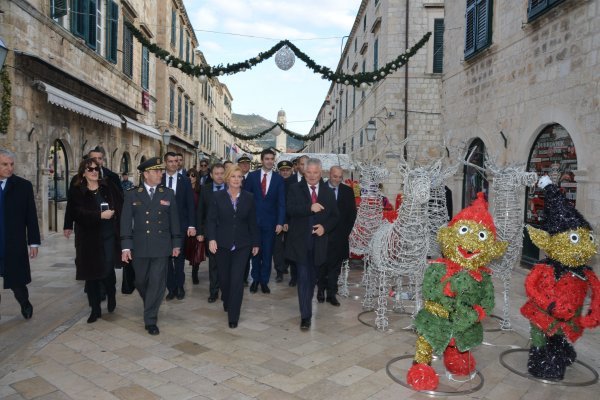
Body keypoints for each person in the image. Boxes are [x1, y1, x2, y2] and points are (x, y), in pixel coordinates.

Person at [121, 157, 181, 335]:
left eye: (160, 171)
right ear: (146, 174)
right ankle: (151, 302)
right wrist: (125, 246)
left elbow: (174, 221)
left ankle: (150, 319)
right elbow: (125, 221)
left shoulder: (168, 193)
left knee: (157, 282)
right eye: (156, 171)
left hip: (161, 246)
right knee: (140, 281)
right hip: (139, 246)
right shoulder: (132, 194)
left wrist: (176, 243)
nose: (160, 174)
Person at [285, 158, 339, 330]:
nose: (313, 176)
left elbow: (335, 216)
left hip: (319, 244)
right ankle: (305, 316)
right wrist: (310, 207)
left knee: (313, 278)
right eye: (309, 172)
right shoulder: (295, 188)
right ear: (304, 172)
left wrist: (325, 227)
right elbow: (290, 210)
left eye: (316, 172)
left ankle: (308, 306)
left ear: (321, 172)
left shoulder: (327, 191)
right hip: (300, 243)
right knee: (303, 279)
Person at [70, 158, 123, 323]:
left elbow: (121, 203)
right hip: (88, 239)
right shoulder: (77, 190)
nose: (94, 172)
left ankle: (111, 294)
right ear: (83, 172)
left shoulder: (108, 187)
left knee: (107, 269)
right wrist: (99, 215)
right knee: (91, 275)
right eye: (90, 169)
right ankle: (95, 309)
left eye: (96, 169)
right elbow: (77, 213)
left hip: (108, 236)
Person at [207, 166, 260, 328]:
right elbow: (210, 220)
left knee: (237, 279)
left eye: (239, 177)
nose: (237, 179)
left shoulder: (249, 197)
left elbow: (253, 222)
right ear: (227, 179)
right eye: (234, 176)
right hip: (222, 244)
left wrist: (256, 242)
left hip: (243, 245)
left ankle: (233, 316)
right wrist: (212, 239)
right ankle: (227, 299)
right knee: (224, 279)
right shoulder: (217, 196)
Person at [0, 149, 40, 320]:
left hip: (13, 243)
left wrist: (34, 242)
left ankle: (24, 302)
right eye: (4, 164)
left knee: (17, 283)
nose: (9, 168)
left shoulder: (23, 186)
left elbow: (31, 217)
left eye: (11, 164)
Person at [244, 148, 286, 294]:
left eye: (271, 159)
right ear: (262, 160)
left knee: (268, 253)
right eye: (266, 158)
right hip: (254, 222)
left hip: (271, 223)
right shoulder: (252, 177)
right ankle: (255, 279)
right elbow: (246, 199)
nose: (269, 161)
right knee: (255, 251)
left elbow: (281, 203)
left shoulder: (278, 179)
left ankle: (264, 281)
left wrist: (280, 222)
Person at [317, 166, 357, 306]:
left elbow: (352, 215)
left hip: (340, 236)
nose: (337, 179)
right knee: (321, 265)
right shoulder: (320, 189)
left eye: (340, 177)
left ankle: (332, 294)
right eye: (335, 176)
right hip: (323, 235)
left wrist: (345, 233)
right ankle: (321, 290)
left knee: (335, 267)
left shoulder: (347, 191)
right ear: (329, 174)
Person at [64, 147, 121, 239]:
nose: (97, 161)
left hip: (110, 229)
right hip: (87, 230)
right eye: (94, 158)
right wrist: (68, 225)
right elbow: (71, 204)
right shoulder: (77, 180)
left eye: (100, 158)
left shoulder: (113, 177)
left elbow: (120, 201)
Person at [162, 152, 196, 300]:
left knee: (180, 257)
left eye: (176, 161)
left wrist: (191, 225)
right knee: (167, 258)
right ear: (165, 163)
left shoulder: (185, 181)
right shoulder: (159, 179)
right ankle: (171, 288)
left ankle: (180, 286)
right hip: (163, 226)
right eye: (170, 161)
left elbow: (190, 205)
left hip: (181, 226)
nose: (173, 164)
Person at [196, 163, 226, 303]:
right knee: (213, 264)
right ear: (211, 175)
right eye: (217, 173)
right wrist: (200, 232)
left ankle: (226, 291)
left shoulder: (231, 188)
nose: (220, 176)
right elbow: (200, 211)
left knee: (226, 264)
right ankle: (213, 292)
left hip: (227, 233)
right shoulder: (205, 190)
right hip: (211, 233)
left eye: (222, 173)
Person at [273, 160, 293, 282]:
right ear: (279, 171)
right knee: (278, 247)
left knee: (290, 246)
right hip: (279, 220)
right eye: (283, 170)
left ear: (291, 170)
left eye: (287, 170)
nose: (285, 172)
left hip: (293, 220)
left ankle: (289, 268)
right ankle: (280, 270)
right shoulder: (275, 182)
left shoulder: (296, 183)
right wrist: (282, 221)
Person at [186, 168, 204, 284]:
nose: (191, 178)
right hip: (185, 223)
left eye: (193, 175)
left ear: (197, 177)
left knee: (197, 250)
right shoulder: (184, 189)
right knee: (186, 249)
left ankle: (194, 273)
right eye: (188, 175)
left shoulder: (201, 190)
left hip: (198, 223)